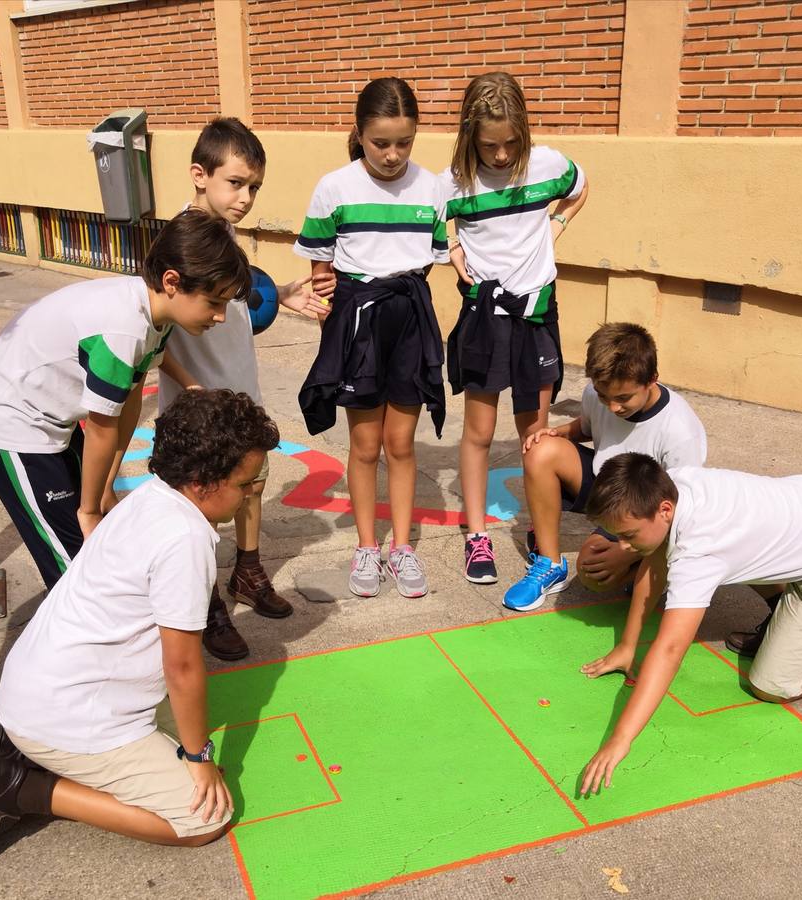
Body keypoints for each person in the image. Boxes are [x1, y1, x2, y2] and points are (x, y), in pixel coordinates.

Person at [0, 389, 279, 867]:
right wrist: (199, 757)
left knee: (178, 741)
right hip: (66, 715)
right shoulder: (185, 538)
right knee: (202, 819)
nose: (254, 491)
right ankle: (23, 787)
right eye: (247, 482)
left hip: (39, 689)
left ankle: (30, 751)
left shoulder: (151, 495)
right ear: (202, 482)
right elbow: (184, 665)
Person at [577, 453, 802, 796]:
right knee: (691, 553)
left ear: (664, 510)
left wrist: (620, 740)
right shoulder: (676, 483)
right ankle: (785, 621)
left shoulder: (700, 550)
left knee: (773, 685)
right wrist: (627, 645)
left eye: (629, 535)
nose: (623, 546)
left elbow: (670, 648)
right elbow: (656, 562)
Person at [0, 209, 248, 594]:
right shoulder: (122, 329)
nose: (221, 316)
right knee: (74, 571)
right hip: (11, 423)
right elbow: (100, 428)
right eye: (214, 301)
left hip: (50, 421)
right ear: (172, 281)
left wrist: (108, 485)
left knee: (97, 540)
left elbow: (129, 400)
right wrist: (90, 509)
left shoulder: (154, 313)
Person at [160, 117, 329, 661]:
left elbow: (233, 299)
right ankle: (207, 603)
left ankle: (248, 574)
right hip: (200, 405)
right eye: (236, 183)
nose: (246, 197)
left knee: (254, 483)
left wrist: (279, 294)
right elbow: (154, 333)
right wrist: (194, 391)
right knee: (204, 508)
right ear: (199, 175)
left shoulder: (224, 234)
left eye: (254, 186)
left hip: (240, 390)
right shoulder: (178, 241)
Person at [295, 77, 449, 599]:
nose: (392, 153)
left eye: (404, 141)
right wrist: (330, 330)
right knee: (364, 444)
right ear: (359, 134)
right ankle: (366, 545)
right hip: (357, 322)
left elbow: (441, 253)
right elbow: (322, 273)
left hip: (410, 317)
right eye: (381, 142)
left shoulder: (433, 188)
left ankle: (401, 547)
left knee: (401, 442)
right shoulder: (333, 187)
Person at [440, 71, 588, 586]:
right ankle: (477, 535)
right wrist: (453, 252)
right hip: (485, 318)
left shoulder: (548, 163)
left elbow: (579, 188)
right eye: (488, 146)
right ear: (468, 138)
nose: (501, 156)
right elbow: (434, 226)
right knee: (479, 432)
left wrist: (556, 226)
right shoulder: (453, 183)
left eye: (510, 144)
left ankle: (538, 532)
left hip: (536, 315)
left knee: (535, 434)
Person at [503, 323, 706, 611]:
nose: (612, 407)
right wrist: (556, 432)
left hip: (646, 508)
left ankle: (660, 570)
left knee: (593, 572)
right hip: (607, 487)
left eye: (623, 398)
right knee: (539, 450)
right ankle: (550, 564)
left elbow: (683, 510)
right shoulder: (597, 393)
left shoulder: (680, 430)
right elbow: (587, 428)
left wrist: (627, 551)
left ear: (652, 379)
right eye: (603, 396)